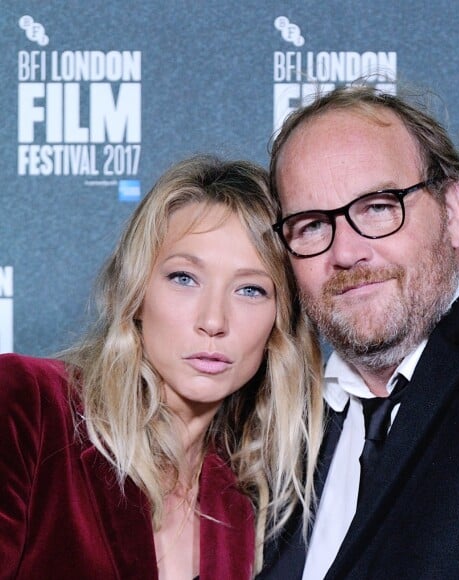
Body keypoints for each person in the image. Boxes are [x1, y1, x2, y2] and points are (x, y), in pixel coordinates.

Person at [259, 85, 459, 579]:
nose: (346, 252)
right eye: (312, 225)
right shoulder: (281, 426)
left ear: (452, 212)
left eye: (378, 207)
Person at [0, 155, 324, 579]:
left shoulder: (244, 505)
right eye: (184, 278)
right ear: (137, 294)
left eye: (250, 289)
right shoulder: (29, 407)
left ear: (279, 322)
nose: (214, 321)